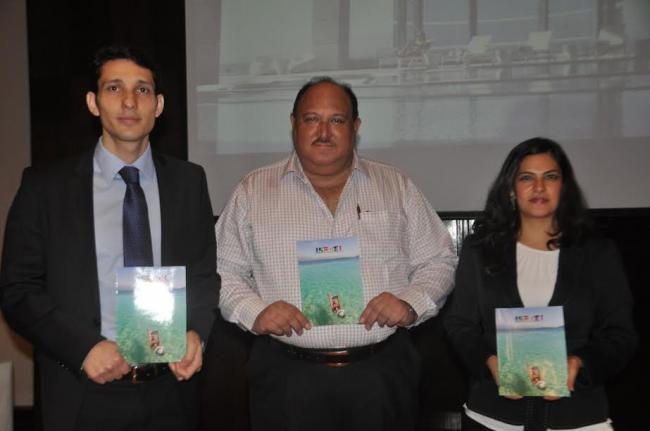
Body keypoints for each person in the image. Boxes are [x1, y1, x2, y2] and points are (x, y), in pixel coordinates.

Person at [216, 76, 457, 431]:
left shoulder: (396, 186)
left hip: (381, 373)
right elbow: (223, 271)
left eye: (337, 120)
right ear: (294, 124)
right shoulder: (253, 191)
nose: (324, 132)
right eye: (312, 119)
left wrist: (410, 303)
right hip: (286, 377)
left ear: (355, 127)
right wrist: (255, 311)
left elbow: (439, 260)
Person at [0, 46, 218, 431]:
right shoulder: (45, 187)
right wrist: (83, 347)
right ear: (93, 102)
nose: (130, 101)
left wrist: (196, 332)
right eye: (114, 88)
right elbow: (18, 290)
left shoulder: (189, 182)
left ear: (159, 105)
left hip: (171, 390)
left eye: (142, 89)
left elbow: (203, 274)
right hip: (82, 391)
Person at [444, 137, 637, 430]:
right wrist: (489, 362)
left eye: (550, 177)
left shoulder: (598, 253)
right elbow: (459, 325)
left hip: (578, 416)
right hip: (492, 417)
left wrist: (579, 364)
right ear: (511, 189)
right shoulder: (480, 251)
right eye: (526, 178)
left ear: (564, 187)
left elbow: (620, 335)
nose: (538, 187)